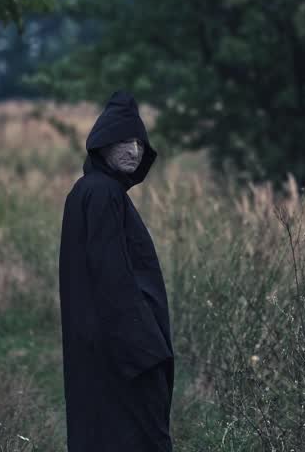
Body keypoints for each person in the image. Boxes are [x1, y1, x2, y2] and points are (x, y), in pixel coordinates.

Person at [58, 90, 174, 451]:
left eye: (139, 142)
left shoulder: (92, 191)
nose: (133, 151)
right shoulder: (102, 193)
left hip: (105, 348)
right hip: (122, 353)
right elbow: (112, 278)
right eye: (123, 141)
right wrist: (145, 354)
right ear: (103, 145)